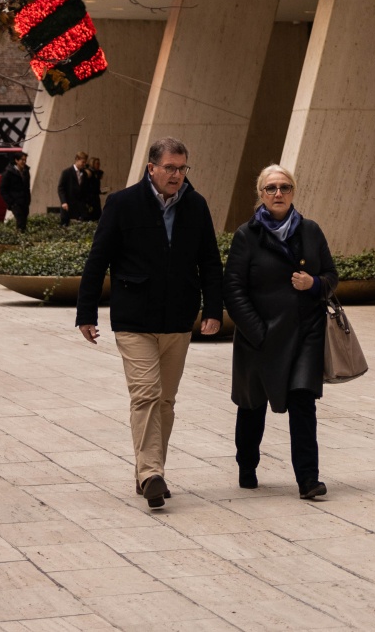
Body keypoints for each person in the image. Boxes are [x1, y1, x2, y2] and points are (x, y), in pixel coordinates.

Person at [76, 137, 223, 510]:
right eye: (170, 168)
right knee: (145, 394)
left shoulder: (196, 205)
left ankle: (147, 471)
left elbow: (209, 261)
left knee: (166, 401)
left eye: (182, 168)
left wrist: (212, 310)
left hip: (177, 318)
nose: (177, 175)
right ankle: (151, 474)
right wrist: (86, 313)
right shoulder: (123, 204)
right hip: (134, 318)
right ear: (151, 168)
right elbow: (98, 259)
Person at [223, 165, 337, 499]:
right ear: (260, 194)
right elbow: (233, 289)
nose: (278, 194)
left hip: (305, 334)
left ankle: (308, 479)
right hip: (259, 337)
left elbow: (331, 275)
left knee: (304, 402)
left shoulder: (311, 231)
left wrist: (314, 283)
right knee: (252, 405)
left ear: (293, 192)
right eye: (271, 188)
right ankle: (247, 464)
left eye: (285, 188)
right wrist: (257, 332)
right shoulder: (247, 235)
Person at [0, 150, 33, 232]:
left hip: (24, 201)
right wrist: (11, 202)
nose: (24, 162)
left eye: (25, 160)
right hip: (15, 202)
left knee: (24, 222)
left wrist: (28, 200)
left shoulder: (26, 171)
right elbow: (2, 189)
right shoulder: (8, 173)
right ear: (16, 160)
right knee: (20, 221)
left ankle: (22, 238)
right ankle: (19, 239)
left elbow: (27, 187)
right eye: (22, 160)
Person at [57, 151, 91, 221]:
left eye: (85, 162)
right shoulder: (66, 172)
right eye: (83, 162)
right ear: (77, 159)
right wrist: (64, 202)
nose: (84, 164)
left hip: (80, 208)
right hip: (68, 206)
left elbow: (85, 189)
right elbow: (61, 188)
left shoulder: (84, 174)